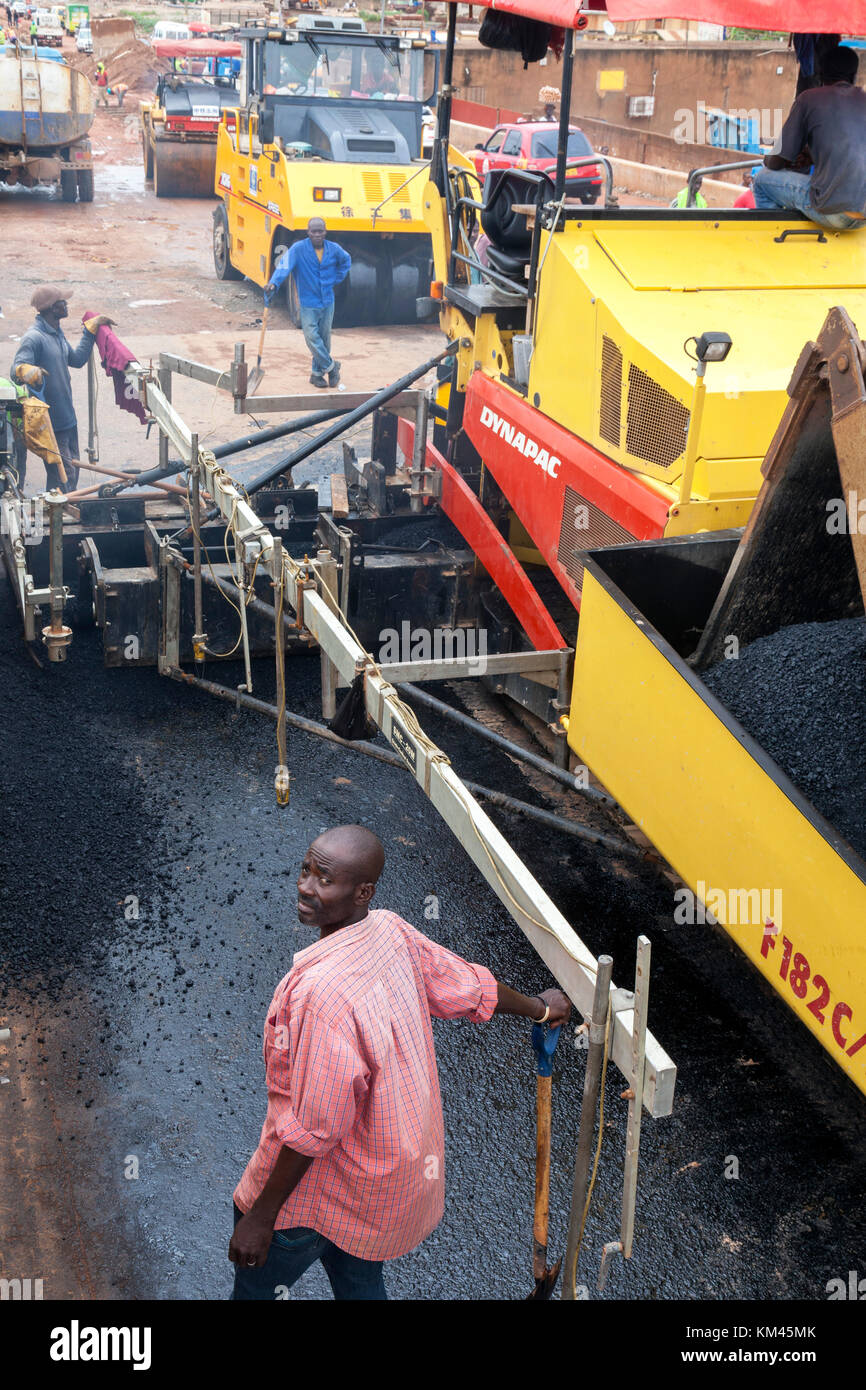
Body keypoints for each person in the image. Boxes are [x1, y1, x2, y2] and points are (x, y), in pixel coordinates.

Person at [228, 824, 572, 1300]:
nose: (306, 887)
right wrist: (540, 1007)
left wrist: (261, 1217)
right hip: (377, 1192)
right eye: (305, 870)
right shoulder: (390, 930)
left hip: (305, 1201)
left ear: (362, 892)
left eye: (324, 880)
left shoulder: (320, 995)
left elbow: (315, 1128)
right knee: (362, 1285)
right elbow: (465, 987)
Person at [753, 45, 866, 230]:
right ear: (854, 75)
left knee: (761, 180)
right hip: (863, 217)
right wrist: (812, 155)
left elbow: (775, 162)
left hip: (833, 214)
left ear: (820, 73)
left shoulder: (809, 98)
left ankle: (774, 242)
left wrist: (774, 158)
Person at [11, 286, 112, 491]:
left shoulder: (56, 333)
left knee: (71, 472)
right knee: (63, 477)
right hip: (50, 423)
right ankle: (58, 517)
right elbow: (15, 371)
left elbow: (76, 360)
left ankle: (58, 515)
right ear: (52, 308)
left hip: (67, 418)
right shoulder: (34, 337)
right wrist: (27, 371)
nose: (67, 305)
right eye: (62, 302)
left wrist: (89, 332)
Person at [264, 218, 351, 388]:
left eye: (321, 231)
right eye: (314, 232)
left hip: (327, 301)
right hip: (308, 302)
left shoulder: (334, 249)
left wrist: (336, 278)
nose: (317, 235)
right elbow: (284, 266)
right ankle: (332, 367)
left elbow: (346, 261)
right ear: (308, 232)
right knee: (312, 337)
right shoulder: (298, 249)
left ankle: (317, 374)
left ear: (326, 232)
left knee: (324, 339)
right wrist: (274, 283)